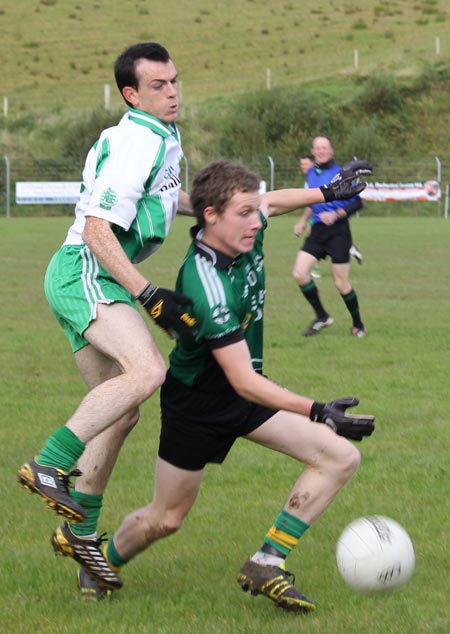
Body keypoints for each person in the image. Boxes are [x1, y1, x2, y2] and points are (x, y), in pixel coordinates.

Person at [61, 159, 375, 611]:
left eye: (255, 211)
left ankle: (267, 561)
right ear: (211, 215)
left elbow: (271, 201)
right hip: (200, 406)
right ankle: (97, 566)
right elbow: (243, 381)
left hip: (246, 393)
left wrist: (328, 193)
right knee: (166, 519)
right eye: (245, 213)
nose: (257, 219)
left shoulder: (242, 230)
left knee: (339, 457)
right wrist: (317, 409)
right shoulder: (206, 284)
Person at [17, 42, 197, 599]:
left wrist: (222, 205)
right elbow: (98, 229)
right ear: (131, 94)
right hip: (87, 270)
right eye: (158, 86)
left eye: (174, 81)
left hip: (80, 274)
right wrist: (149, 294)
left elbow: (167, 199)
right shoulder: (139, 139)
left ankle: (81, 535)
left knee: (120, 415)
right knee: (147, 372)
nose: (172, 92)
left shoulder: (154, 136)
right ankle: (47, 466)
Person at [292, 136, 368, 338]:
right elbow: (311, 201)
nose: (321, 151)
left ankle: (358, 324)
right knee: (300, 274)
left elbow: (357, 203)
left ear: (331, 151)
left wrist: (336, 215)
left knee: (340, 283)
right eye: (317, 148)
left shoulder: (342, 173)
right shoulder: (311, 173)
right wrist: (302, 220)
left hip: (339, 232)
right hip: (317, 231)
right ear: (313, 151)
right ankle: (322, 316)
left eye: (324, 148)